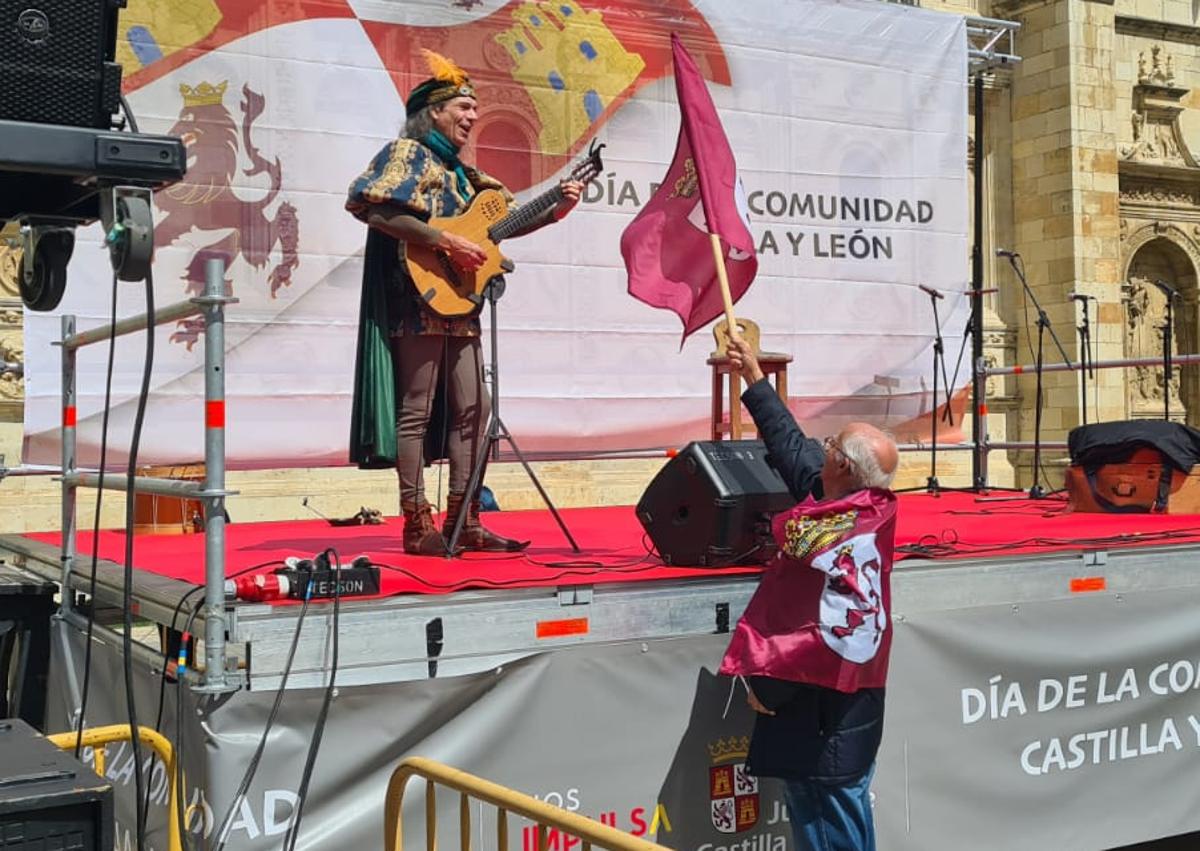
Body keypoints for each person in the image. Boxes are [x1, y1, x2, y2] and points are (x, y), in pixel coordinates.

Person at [345, 51, 582, 555]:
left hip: (461, 301)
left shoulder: (462, 174)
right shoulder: (407, 154)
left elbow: (500, 227)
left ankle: (465, 520)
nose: (473, 118)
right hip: (417, 294)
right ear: (434, 111)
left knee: (477, 409)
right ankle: (416, 526)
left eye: (475, 109)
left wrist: (556, 208)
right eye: (465, 107)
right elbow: (370, 205)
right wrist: (446, 243)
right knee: (416, 409)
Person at [719, 336, 899, 851]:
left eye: (832, 446)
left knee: (828, 829)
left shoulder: (826, 532)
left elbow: (816, 635)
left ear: (842, 467)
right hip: (847, 722)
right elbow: (792, 447)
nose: (822, 449)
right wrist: (754, 377)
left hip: (822, 725)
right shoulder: (862, 508)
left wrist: (766, 686)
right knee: (846, 818)